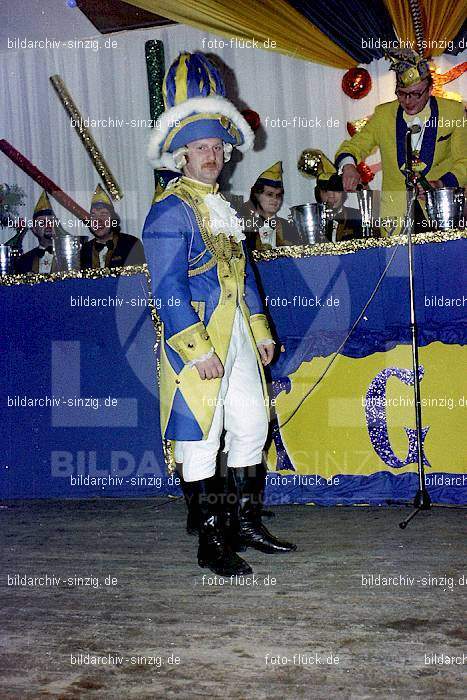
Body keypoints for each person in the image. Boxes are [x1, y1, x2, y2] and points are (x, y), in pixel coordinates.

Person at [142, 52, 296, 576]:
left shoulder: (223, 208)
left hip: (238, 343)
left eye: (216, 147)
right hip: (199, 348)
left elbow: (243, 276)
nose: (210, 155)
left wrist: (260, 330)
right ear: (181, 156)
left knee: (252, 424)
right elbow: (166, 289)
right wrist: (198, 349)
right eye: (200, 148)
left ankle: (246, 524)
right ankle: (212, 541)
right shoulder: (169, 211)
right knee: (201, 440)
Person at [335, 48, 467, 234]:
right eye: (402, 93)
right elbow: (353, 146)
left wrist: (442, 183)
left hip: (443, 213)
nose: (408, 101)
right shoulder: (383, 114)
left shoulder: (453, 111)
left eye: (415, 94)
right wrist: (348, 166)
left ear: (430, 89)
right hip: (395, 218)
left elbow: (465, 160)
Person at [238, 162, 301, 250]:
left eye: (278, 195)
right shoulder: (246, 226)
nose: (275, 199)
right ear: (256, 195)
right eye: (269, 194)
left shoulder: (287, 226)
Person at [80, 185, 145, 269]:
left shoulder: (131, 244)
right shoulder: (85, 250)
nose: (97, 220)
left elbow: (140, 279)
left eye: (103, 214)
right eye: (93, 215)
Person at [14, 191, 59, 273]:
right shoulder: (24, 261)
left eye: (51, 222)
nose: (48, 225)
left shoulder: (67, 256)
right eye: (42, 223)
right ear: (34, 230)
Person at [315, 173, 364, 241]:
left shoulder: (357, 216)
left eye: (336, 190)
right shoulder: (311, 220)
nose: (331, 195)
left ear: (344, 193)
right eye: (326, 191)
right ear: (318, 193)